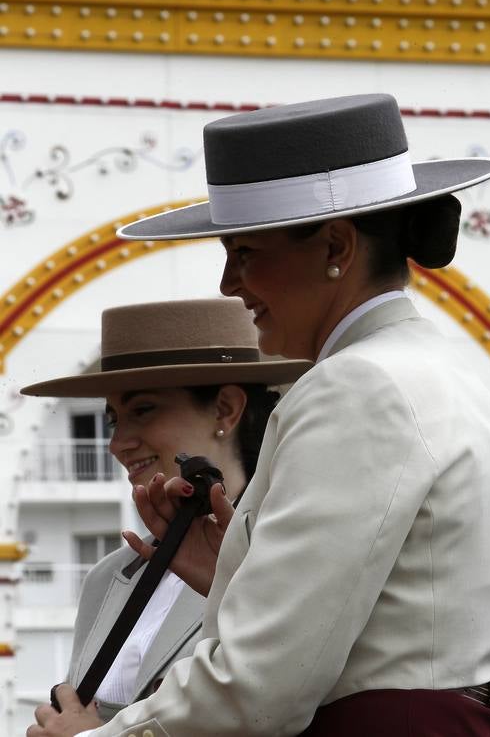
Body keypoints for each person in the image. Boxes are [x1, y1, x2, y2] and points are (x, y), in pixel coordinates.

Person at [27, 93, 490, 737]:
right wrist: (239, 576)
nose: (229, 284)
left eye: (245, 252)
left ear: (336, 246)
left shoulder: (355, 386)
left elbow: (259, 690)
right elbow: (405, 620)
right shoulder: (437, 368)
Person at [21, 297, 310, 724]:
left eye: (143, 409)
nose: (118, 444)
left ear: (226, 409)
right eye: (114, 419)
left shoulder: (289, 556)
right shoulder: (108, 578)